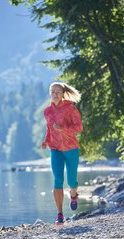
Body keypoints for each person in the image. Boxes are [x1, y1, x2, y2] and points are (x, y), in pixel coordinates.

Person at [42, 82, 83, 225]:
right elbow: (49, 128)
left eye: (58, 91)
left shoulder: (71, 108)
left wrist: (63, 128)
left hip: (71, 148)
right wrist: (46, 140)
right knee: (57, 179)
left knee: (72, 180)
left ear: (63, 93)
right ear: (50, 93)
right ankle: (60, 214)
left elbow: (79, 127)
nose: (55, 94)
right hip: (56, 149)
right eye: (52, 91)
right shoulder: (47, 111)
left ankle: (73, 194)